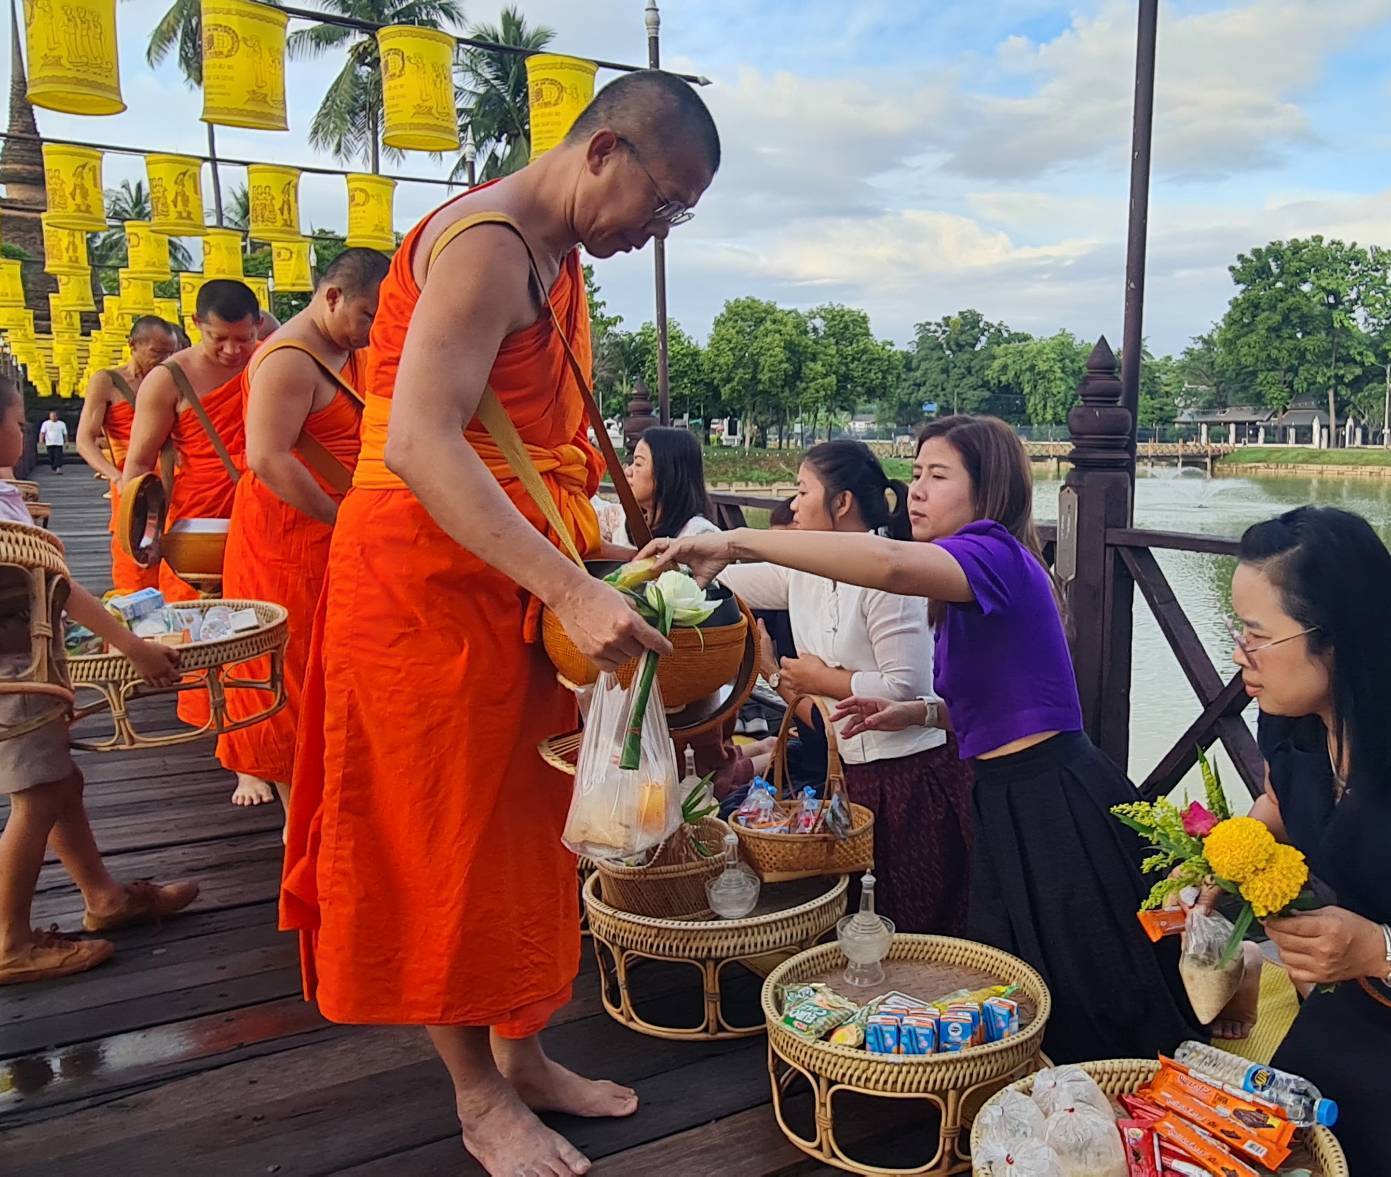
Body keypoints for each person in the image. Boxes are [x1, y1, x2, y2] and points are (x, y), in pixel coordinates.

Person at [280, 71, 718, 1176]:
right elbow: (423, 444)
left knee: (525, 826)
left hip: (508, 576)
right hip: (424, 588)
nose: (655, 232)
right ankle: (476, 1096)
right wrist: (571, 588)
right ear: (602, 150)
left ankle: (520, 1052)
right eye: (661, 204)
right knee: (444, 838)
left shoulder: (555, 256)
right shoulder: (483, 245)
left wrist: (591, 562)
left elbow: (524, 446)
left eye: (679, 218)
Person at [644, 415, 1202, 1062]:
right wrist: (918, 716)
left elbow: (885, 562)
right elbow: (1003, 700)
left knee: (1091, 986)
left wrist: (741, 541)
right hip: (999, 793)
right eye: (914, 473)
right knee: (1010, 970)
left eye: (937, 476)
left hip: (1050, 796)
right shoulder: (964, 579)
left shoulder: (992, 552)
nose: (916, 489)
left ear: (986, 490)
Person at [717, 440, 972, 933]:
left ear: (841, 503)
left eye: (802, 490)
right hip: (849, 775)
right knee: (858, 916)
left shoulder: (890, 576)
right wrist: (670, 564)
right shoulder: (806, 573)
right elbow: (731, 579)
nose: (792, 504)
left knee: (911, 920)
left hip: (909, 779)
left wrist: (819, 679)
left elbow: (908, 689)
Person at [0, 377, 198, 984]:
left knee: (61, 782)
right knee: (36, 798)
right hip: (15, 673)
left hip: (25, 662)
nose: (24, 431)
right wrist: (132, 645)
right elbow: (57, 585)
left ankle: (104, 898)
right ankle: (9, 940)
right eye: (15, 421)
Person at [1219, 506, 1391, 1172]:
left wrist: (1376, 947)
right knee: (1276, 1141)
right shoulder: (1292, 729)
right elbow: (1282, 805)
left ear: (1336, 639)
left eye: (1257, 637)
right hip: (1351, 1007)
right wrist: (1221, 857)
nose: (1239, 656)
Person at [215, 249, 388, 813]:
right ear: (332, 296)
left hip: (337, 534)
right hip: (289, 536)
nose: (372, 330)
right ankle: (297, 816)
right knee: (290, 667)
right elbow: (268, 458)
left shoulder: (343, 350)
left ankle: (333, 789)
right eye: (367, 315)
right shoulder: (289, 360)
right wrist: (343, 521)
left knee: (336, 659)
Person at [122, 280, 277, 728]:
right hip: (199, 520)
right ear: (195, 327)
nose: (233, 350)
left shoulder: (271, 361)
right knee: (205, 627)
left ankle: (257, 727)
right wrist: (140, 530)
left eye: (244, 338)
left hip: (264, 508)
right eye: (219, 338)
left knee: (259, 621)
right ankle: (220, 727)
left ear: (259, 326)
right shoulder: (168, 379)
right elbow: (138, 462)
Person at [75, 316, 180, 593]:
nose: (164, 360)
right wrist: (116, 476)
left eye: (170, 352)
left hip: (176, 480)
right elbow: (84, 440)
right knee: (136, 562)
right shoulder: (107, 381)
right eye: (157, 353)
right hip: (134, 482)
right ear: (133, 345)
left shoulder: (175, 379)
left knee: (176, 565)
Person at [614, 426, 719, 547]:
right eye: (632, 463)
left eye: (638, 463)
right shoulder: (625, 527)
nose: (628, 471)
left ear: (667, 472)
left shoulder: (700, 535)